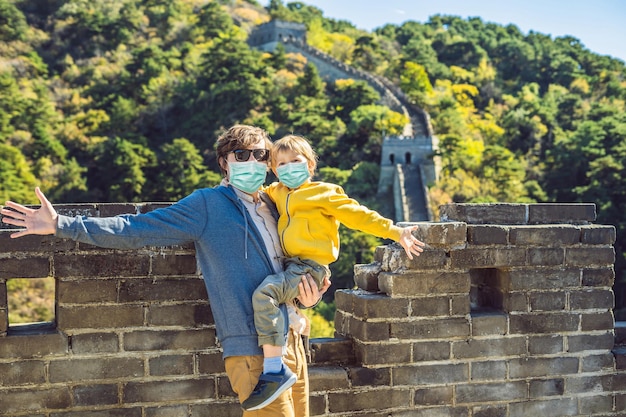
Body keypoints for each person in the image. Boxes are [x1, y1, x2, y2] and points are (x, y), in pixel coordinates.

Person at [1, 125, 329, 417]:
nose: (253, 162)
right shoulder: (208, 205)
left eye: (261, 154)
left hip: (293, 341)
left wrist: (307, 295)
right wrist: (61, 224)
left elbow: (290, 261)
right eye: (242, 154)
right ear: (225, 163)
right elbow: (135, 228)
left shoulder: (273, 205)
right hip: (252, 353)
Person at [241, 134, 426, 411]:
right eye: (281, 163)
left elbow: (358, 215)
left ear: (310, 164)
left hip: (311, 268)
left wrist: (396, 232)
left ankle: (274, 368)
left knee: (265, 293)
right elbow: (252, 193)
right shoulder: (277, 192)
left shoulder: (325, 193)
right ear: (275, 170)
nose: (289, 167)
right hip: (291, 266)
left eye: (296, 161)